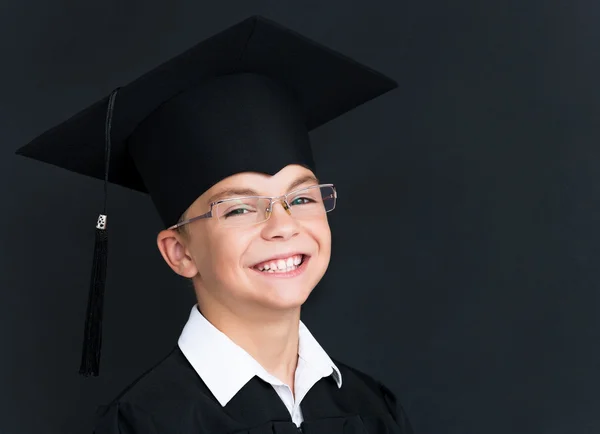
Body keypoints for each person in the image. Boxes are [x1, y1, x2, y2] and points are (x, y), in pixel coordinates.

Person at [17, 15, 413, 434]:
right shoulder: (144, 423)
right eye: (240, 209)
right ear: (180, 252)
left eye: (300, 198)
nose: (282, 226)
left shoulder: (372, 407)